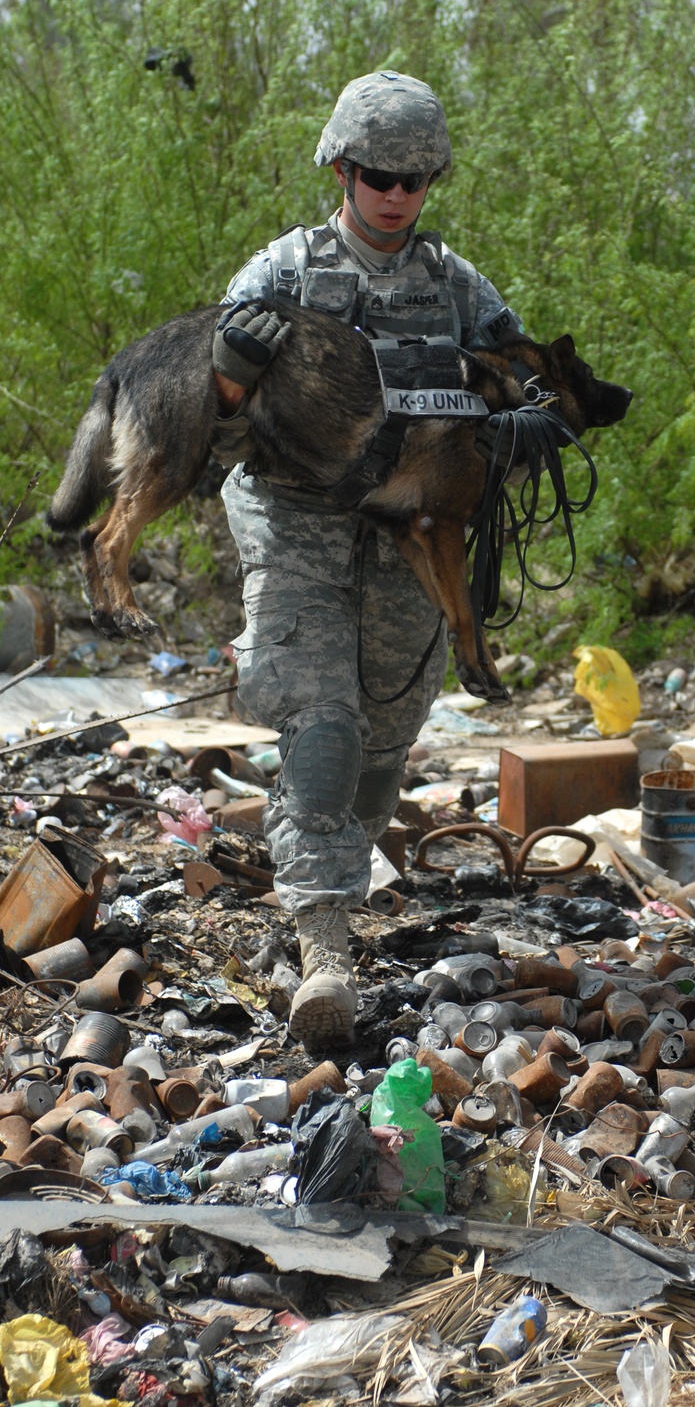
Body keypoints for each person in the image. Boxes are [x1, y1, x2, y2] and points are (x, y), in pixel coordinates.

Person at [210, 71, 522, 1053]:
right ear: (343, 168)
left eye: (416, 179)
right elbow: (204, 420)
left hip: (410, 525)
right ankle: (322, 948)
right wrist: (232, 370)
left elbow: (514, 378)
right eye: (380, 174)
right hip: (294, 514)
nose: (396, 194)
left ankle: (340, 875)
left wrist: (522, 412)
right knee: (323, 716)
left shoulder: (457, 285)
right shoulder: (280, 274)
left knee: (390, 715)